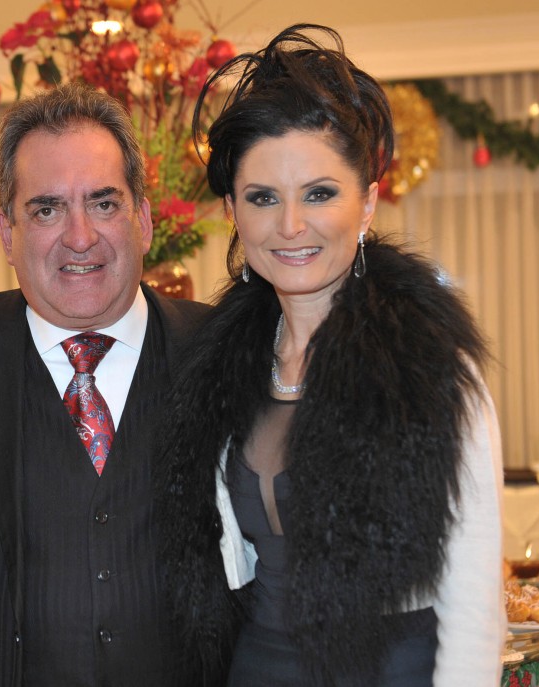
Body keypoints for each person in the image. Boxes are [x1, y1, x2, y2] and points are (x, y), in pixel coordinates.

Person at [154, 24, 504, 686]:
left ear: (367, 203)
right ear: (232, 211)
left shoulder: (426, 371)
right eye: (263, 197)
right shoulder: (222, 371)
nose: (291, 225)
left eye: (319, 193)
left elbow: (475, 603)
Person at [0, 82, 214, 687]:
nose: (80, 237)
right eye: (47, 209)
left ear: (143, 220)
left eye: (104, 204)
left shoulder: (222, 353)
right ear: (7, 234)